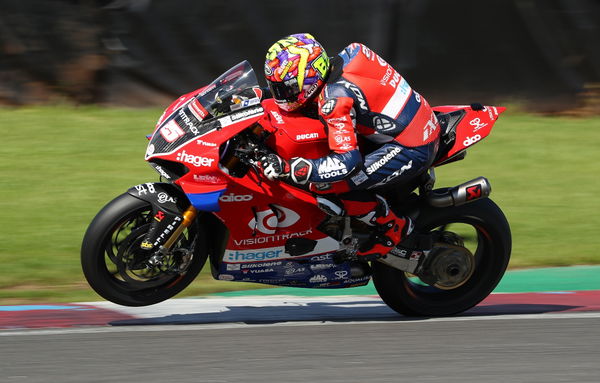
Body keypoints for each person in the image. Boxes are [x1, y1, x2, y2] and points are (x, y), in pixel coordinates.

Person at [259, 33, 440, 260]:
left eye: (285, 90)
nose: (282, 97)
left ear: (310, 79)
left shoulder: (334, 100)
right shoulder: (349, 54)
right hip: (413, 117)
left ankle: (393, 227)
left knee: (327, 185)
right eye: (275, 89)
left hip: (412, 145)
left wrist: (291, 168)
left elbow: (348, 163)